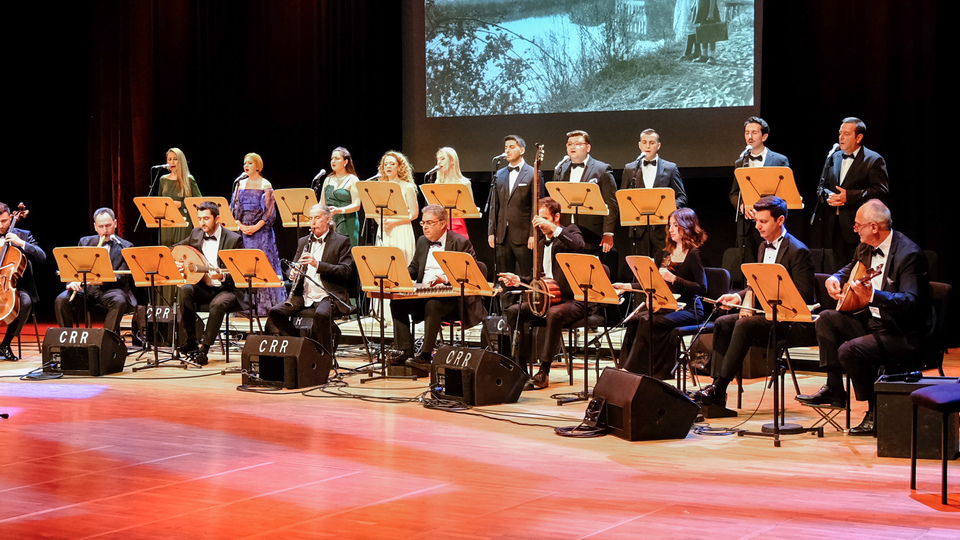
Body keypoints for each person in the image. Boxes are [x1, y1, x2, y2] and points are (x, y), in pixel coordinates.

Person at [798, 200, 932, 436]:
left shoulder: (909, 254)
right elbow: (849, 268)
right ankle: (835, 389)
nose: (854, 229)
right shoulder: (865, 247)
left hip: (900, 331)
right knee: (827, 318)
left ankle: (874, 412)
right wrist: (835, 277)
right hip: (872, 322)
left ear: (874, 227)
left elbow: (911, 301)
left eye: (858, 225)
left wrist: (873, 296)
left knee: (849, 351)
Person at [692, 195, 816, 407]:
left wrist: (776, 295)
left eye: (763, 221)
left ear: (780, 220)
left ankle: (719, 386)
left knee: (744, 324)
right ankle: (717, 389)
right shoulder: (761, 247)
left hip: (790, 321)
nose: (757, 226)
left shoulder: (798, 251)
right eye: (756, 221)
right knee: (722, 322)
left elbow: (805, 297)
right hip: (767, 316)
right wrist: (737, 296)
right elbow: (755, 286)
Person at [499, 197, 586, 390]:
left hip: (573, 300)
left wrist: (553, 228)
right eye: (538, 218)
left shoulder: (570, 231)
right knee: (514, 311)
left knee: (555, 314)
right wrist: (518, 280)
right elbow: (534, 279)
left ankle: (544, 371)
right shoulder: (539, 245)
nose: (540, 223)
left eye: (545, 218)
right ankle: (519, 368)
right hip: (547, 299)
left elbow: (579, 245)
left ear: (556, 217)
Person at [389, 204, 486, 370]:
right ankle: (406, 350)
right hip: (423, 295)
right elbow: (414, 268)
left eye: (429, 223)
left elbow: (471, 274)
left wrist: (446, 279)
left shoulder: (460, 242)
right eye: (423, 223)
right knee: (397, 302)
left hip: (452, 300)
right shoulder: (422, 242)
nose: (425, 227)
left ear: (443, 224)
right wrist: (397, 276)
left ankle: (425, 356)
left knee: (433, 305)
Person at [616, 208, 707, 380]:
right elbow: (654, 283)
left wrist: (675, 279)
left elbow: (702, 288)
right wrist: (627, 286)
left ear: (687, 227)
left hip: (690, 309)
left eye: (675, 225)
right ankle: (627, 365)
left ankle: (636, 371)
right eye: (670, 225)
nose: (671, 229)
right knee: (635, 320)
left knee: (648, 321)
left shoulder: (694, 254)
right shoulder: (666, 254)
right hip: (669, 307)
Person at [267, 204, 353, 355]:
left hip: (329, 294)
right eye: (311, 218)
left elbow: (345, 271)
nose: (313, 222)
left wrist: (317, 264)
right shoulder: (303, 241)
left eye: (317, 218)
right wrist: (292, 272)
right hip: (305, 295)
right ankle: (300, 343)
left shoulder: (341, 241)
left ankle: (325, 355)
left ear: (328, 219)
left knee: (321, 314)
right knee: (275, 312)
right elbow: (292, 267)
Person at [176, 201, 246, 365]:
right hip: (204, 288)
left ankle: (204, 350)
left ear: (217, 218)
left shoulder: (234, 239)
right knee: (185, 289)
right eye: (200, 218)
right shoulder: (196, 234)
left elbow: (241, 273)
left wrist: (223, 277)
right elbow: (176, 248)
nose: (202, 223)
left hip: (228, 290)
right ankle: (192, 341)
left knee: (218, 304)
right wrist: (178, 260)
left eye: (206, 218)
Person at [816, 117, 890, 267]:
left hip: (861, 227)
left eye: (846, 134)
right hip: (835, 226)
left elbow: (881, 191)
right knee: (840, 269)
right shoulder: (834, 157)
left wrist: (848, 197)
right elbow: (821, 187)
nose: (841, 137)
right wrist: (828, 196)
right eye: (840, 133)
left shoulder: (873, 159)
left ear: (859, 137)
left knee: (861, 268)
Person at [54, 208, 136, 334]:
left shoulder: (125, 246)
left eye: (108, 225)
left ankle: (105, 341)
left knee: (119, 301)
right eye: (101, 226)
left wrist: (99, 280)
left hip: (111, 290)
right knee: (62, 300)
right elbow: (74, 268)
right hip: (86, 289)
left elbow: (122, 276)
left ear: (115, 223)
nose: (105, 230)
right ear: (95, 227)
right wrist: (71, 282)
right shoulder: (85, 242)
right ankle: (68, 342)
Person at [729, 117, 791, 272]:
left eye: (754, 133)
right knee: (750, 267)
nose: (750, 136)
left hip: (770, 223)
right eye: (747, 132)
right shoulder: (740, 162)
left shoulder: (779, 160)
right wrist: (742, 207)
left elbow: (785, 194)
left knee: (771, 265)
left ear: (764, 137)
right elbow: (734, 194)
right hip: (748, 225)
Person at [229, 152, 286, 316]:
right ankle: (247, 305)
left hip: (261, 233)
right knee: (246, 267)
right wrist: (240, 225)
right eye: (244, 163)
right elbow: (235, 209)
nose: (246, 166)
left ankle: (265, 307)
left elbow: (269, 213)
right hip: (244, 232)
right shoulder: (240, 184)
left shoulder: (265, 184)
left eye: (249, 163)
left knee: (262, 265)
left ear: (257, 166)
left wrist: (255, 227)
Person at [552, 130, 619, 261]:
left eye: (577, 143)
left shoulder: (602, 169)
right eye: (569, 144)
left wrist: (608, 233)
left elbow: (611, 203)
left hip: (591, 232)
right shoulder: (561, 169)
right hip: (565, 230)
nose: (572, 147)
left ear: (587, 147)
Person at [621, 128, 688, 257]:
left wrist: (667, 210)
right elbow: (623, 197)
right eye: (644, 142)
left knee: (662, 267)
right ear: (639, 145)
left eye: (651, 143)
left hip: (663, 230)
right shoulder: (630, 169)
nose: (647, 146)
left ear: (658, 146)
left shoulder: (670, 168)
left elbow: (682, 197)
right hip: (639, 231)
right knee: (641, 268)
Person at [488, 135, 539, 276]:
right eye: (506, 148)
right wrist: (491, 232)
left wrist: (533, 234)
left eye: (512, 147)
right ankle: (506, 299)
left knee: (526, 276)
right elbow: (494, 206)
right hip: (502, 235)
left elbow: (536, 206)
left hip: (523, 236)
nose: (507, 151)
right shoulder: (499, 174)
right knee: (504, 277)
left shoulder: (533, 173)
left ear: (521, 150)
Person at [0, 202, 46, 361]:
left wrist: (21, 244)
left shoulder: (24, 235)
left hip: (18, 285)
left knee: (24, 302)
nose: (1, 225)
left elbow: (42, 257)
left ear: (11, 217)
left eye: (4, 221)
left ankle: (6, 344)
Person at [374, 150, 418, 264]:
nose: (388, 166)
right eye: (386, 164)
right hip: (384, 229)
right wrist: (381, 223)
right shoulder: (379, 186)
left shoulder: (407, 187)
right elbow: (374, 210)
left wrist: (394, 222)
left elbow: (414, 213)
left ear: (399, 167)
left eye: (392, 164)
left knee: (401, 263)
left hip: (401, 228)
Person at [159, 147, 201, 247]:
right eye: (169, 159)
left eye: (175, 159)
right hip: (167, 222)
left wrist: (181, 204)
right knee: (167, 250)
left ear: (181, 161)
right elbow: (159, 201)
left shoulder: (188, 179)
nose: (172, 162)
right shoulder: (163, 180)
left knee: (180, 250)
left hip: (183, 221)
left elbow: (199, 202)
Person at [320, 147, 361, 247]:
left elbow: (357, 205)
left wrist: (339, 210)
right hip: (331, 222)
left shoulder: (353, 179)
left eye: (337, 158)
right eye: (332, 158)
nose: (333, 161)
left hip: (348, 221)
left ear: (345, 161)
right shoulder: (328, 180)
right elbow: (322, 203)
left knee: (346, 253)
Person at [433, 147, 474, 239]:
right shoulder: (438, 183)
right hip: (440, 226)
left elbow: (470, 209)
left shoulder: (464, 183)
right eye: (438, 159)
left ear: (452, 161)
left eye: (443, 159)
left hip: (458, 226)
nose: (439, 162)